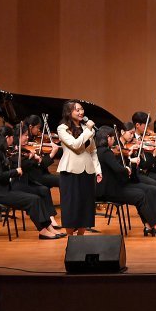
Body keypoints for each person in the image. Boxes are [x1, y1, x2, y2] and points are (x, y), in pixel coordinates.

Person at [0, 126, 65, 239]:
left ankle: (49, 228)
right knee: (33, 200)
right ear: (7, 137)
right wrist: (15, 171)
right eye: (11, 137)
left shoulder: (1, 150)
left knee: (37, 198)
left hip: (4, 189)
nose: (13, 140)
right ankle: (43, 231)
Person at [56, 100, 101, 235]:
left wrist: (98, 170)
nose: (81, 112)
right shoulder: (62, 128)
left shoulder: (86, 129)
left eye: (82, 109)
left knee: (85, 206)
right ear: (69, 113)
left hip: (88, 171)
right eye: (77, 110)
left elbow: (93, 151)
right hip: (70, 171)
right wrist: (88, 130)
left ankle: (80, 239)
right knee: (71, 205)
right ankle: (70, 240)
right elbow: (75, 145)